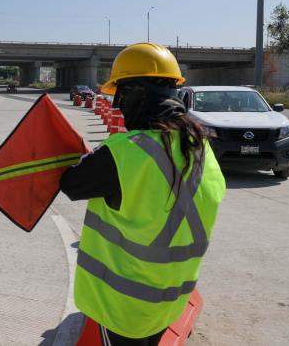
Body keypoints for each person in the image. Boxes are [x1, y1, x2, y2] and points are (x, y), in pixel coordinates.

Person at [60, 43, 226, 346]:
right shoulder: (201, 148)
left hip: (125, 309)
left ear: (137, 93)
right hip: (169, 303)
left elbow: (71, 183)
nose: (117, 105)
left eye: (120, 93)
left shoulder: (123, 153)